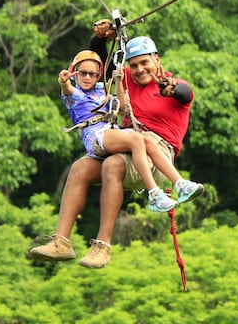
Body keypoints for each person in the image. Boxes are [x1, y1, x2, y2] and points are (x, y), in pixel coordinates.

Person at [29, 27, 204, 269]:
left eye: (144, 63)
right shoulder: (128, 81)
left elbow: (184, 94)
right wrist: (101, 37)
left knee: (113, 164)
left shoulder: (174, 86)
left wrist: (171, 88)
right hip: (126, 141)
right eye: (134, 65)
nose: (140, 70)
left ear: (157, 60)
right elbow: (97, 62)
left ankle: (103, 245)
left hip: (157, 151)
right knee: (79, 168)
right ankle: (61, 242)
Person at [56, 48, 181, 214]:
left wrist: (119, 81)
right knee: (137, 139)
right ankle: (154, 193)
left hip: (110, 130)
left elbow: (121, 106)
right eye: (82, 73)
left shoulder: (101, 90)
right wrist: (64, 82)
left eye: (92, 74)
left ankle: (180, 183)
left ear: (97, 76)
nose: (87, 77)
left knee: (146, 140)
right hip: (95, 135)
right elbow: (68, 90)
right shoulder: (75, 94)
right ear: (75, 72)